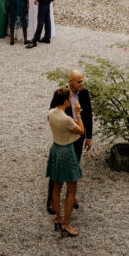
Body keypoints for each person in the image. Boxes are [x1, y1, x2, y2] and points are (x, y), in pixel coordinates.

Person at [48, 69, 93, 213]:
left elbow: (89, 117)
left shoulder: (84, 93)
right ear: (70, 82)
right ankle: (50, 200)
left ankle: (70, 196)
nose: (81, 84)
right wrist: (69, 122)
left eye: (82, 81)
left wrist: (89, 138)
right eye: (79, 81)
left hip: (78, 138)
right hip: (66, 137)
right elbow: (52, 113)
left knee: (74, 165)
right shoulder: (62, 94)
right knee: (57, 171)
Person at [46, 87, 83, 237]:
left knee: (56, 185)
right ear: (66, 100)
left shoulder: (51, 113)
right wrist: (78, 115)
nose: (72, 99)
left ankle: (58, 218)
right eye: (70, 97)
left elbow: (62, 123)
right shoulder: (66, 119)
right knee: (72, 188)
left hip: (56, 149)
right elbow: (81, 131)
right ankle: (66, 223)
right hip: (66, 152)